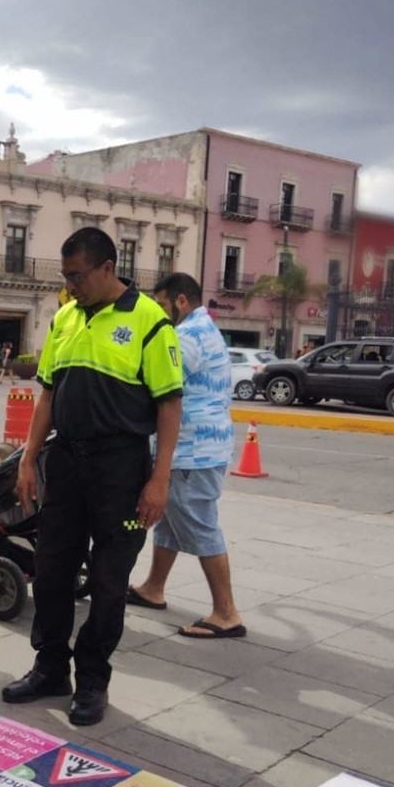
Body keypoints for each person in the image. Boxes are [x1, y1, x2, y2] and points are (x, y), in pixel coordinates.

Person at [1, 227, 183, 727]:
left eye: (77, 276)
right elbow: (47, 394)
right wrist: (28, 457)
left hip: (121, 469)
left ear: (107, 268)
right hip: (66, 463)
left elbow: (169, 404)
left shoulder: (150, 321)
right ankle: (50, 668)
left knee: (107, 582)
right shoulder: (65, 317)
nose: (70, 286)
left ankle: (93, 681)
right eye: (65, 277)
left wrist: (159, 478)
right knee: (53, 570)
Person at [129, 274, 245, 639]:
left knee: (199, 525)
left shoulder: (186, 336)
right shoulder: (204, 327)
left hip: (193, 450)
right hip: (201, 446)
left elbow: (159, 382)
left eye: (163, 306)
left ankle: (226, 613)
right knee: (170, 523)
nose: (160, 314)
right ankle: (153, 588)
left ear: (181, 301)